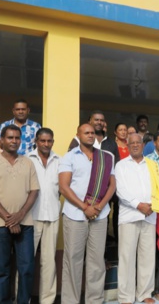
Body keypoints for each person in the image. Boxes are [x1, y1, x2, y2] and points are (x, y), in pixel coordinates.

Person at [0, 125, 39, 304]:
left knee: (27, 267)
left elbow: (34, 191)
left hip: (25, 223)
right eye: (10, 138)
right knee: (1, 269)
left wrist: (19, 215)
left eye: (17, 138)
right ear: (2, 139)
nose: (14, 141)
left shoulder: (28, 162)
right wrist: (9, 219)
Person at [58, 124, 116, 304]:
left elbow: (112, 185)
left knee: (97, 261)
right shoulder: (69, 157)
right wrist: (85, 207)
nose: (90, 135)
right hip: (75, 215)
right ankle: (71, 301)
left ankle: (95, 300)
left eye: (92, 133)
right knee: (73, 260)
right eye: (86, 133)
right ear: (78, 135)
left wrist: (99, 206)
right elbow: (64, 187)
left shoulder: (106, 157)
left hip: (100, 215)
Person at [115, 133, 159, 304]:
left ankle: (144, 294)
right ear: (127, 146)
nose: (135, 145)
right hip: (129, 216)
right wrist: (138, 205)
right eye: (132, 143)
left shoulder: (152, 165)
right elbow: (120, 190)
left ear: (143, 145)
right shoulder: (121, 165)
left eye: (138, 143)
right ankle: (126, 297)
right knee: (127, 258)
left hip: (150, 215)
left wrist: (151, 206)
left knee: (147, 257)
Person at [27, 128, 60, 303]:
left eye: (49, 141)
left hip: (53, 216)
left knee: (49, 263)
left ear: (52, 142)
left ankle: (47, 300)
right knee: (26, 262)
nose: (46, 144)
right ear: (36, 141)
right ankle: (23, 298)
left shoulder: (59, 160)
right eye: (43, 141)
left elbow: (62, 189)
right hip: (30, 216)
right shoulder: (27, 160)